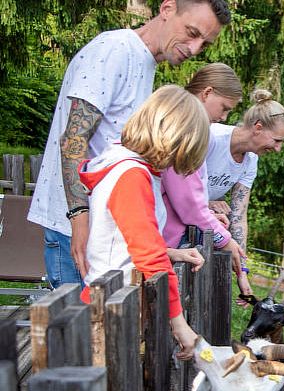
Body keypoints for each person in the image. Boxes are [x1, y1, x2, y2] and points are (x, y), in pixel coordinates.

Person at [28, 0, 231, 288]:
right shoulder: (114, 51)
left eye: (204, 43)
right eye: (191, 32)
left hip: (105, 237)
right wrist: (79, 219)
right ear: (167, 9)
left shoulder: (145, 63)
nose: (195, 48)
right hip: (78, 230)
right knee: (79, 329)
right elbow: (73, 139)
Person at [79, 85, 209, 360]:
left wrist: (171, 253)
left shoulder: (130, 167)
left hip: (116, 301)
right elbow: (147, 254)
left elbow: (126, 240)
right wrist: (180, 324)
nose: (176, 164)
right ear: (172, 139)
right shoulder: (132, 176)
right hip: (109, 311)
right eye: (179, 154)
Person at [205, 89, 284, 298]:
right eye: (276, 140)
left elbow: (238, 216)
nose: (278, 149)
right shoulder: (212, 137)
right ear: (258, 128)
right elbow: (175, 180)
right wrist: (207, 203)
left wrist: (242, 271)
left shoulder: (250, 161)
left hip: (202, 226)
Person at [161, 63, 247, 278]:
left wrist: (207, 215)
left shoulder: (192, 127)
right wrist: (224, 238)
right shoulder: (184, 128)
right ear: (207, 93)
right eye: (224, 108)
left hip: (167, 238)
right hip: (162, 239)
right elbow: (187, 201)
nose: (224, 117)